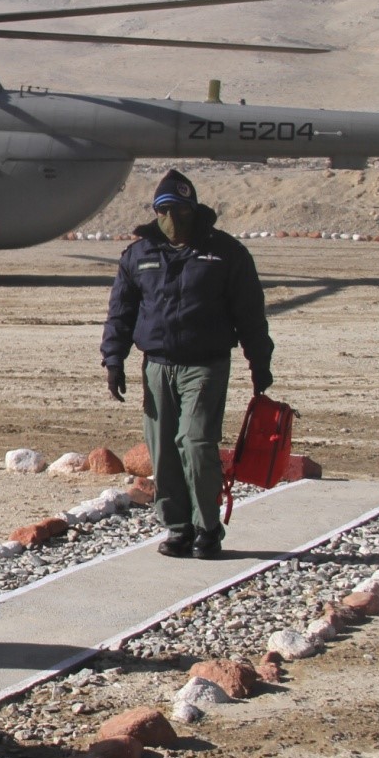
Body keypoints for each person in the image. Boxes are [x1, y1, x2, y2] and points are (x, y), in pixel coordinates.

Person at [102, 169, 274, 560]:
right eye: (164, 210)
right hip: (157, 365)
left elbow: (249, 313)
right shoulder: (138, 255)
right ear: (155, 213)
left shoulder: (225, 253)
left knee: (195, 445)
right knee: (162, 452)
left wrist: (258, 361)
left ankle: (207, 527)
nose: (172, 219)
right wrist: (114, 360)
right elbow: (121, 312)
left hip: (206, 365)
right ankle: (178, 527)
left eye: (180, 210)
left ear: (195, 211)